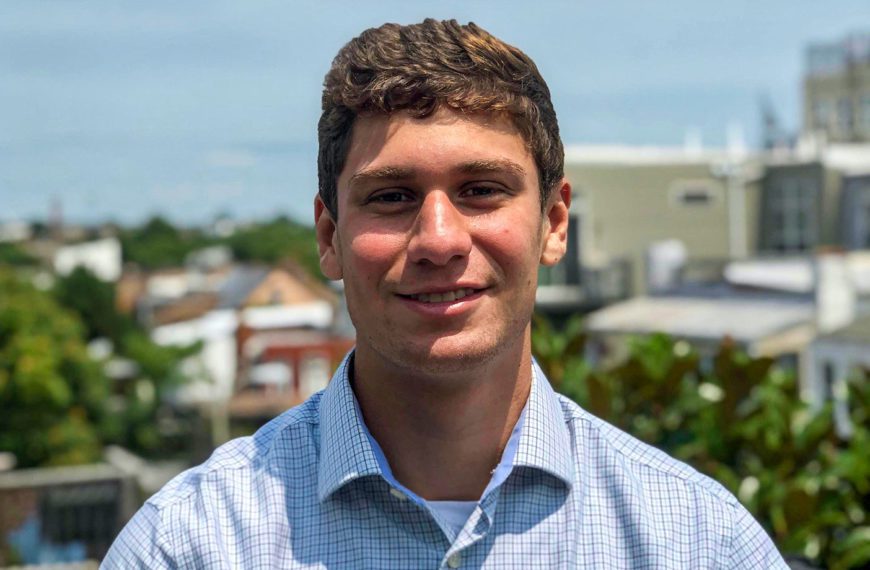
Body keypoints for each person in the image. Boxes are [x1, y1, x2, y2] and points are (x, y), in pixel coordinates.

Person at [102, 19, 787, 569]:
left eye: (481, 190)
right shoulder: (188, 546)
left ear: (553, 224)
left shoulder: (699, 543)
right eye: (392, 196)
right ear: (328, 237)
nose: (439, 239)